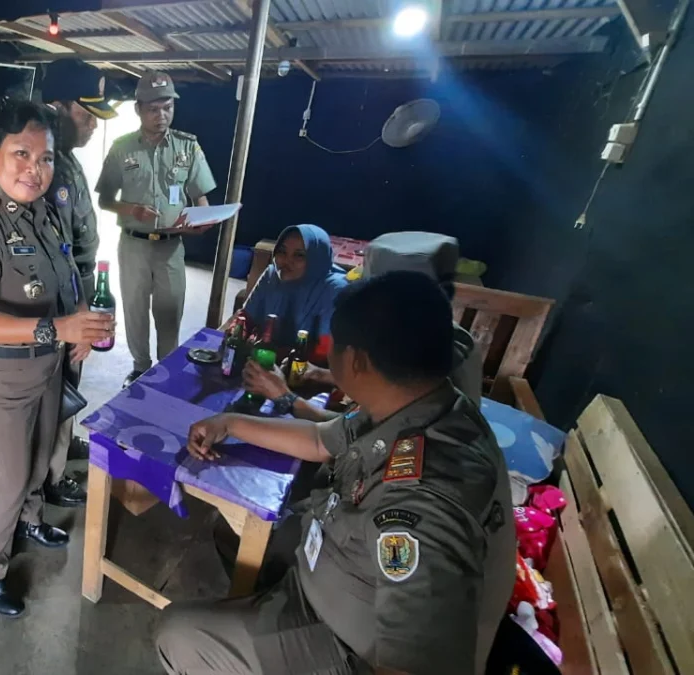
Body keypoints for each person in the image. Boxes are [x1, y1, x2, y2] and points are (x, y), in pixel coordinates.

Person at [157, 271, 515, 675]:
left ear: (356, 361)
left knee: (179, 634)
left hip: (344, 648)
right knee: (235, 528)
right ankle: (257, 614)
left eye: (334, 345)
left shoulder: (421, 505)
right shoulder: (418, 406)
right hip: (334, 567)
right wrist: (230, 424)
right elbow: (318, 439)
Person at [0, 99, 114, 617]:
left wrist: (81, 321)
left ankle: (32, 518)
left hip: (50, 363)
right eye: (21, 154)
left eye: (46, 158)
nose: (34, 170)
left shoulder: (47, 212)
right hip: (4, 374)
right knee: (11, 475)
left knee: (41, 460)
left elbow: (68, 277)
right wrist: (59, 328)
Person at [243, 231, 483, 418]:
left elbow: (344, 435)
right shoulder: (429, 332)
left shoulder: (425, 361)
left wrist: (283, 396)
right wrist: (323, 375)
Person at [96, 70, 219, 388]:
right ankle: (139, 368)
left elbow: (201, 198)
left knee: (169, 312)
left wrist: (203, 220)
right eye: (153, 109)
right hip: (134, 245)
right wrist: (131, 209)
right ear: (138, 109)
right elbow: (106, 199)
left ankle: (166, 372)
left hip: (170, 247)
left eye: (168, 108)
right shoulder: (123, 148)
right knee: (134, 311)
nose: (161, 115)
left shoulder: (188, 147)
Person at [40, 58, 118, 509]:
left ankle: (64, 445)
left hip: (77, 291)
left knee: (71, 377)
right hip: (59, 301)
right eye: (85, 115)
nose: (91, 126)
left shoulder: (65, 159)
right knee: (55, 384)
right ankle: (50, 478)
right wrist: (74, 316)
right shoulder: (44, 168)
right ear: (57, 107)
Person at [239, 223, 348, 351]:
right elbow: (245, 318)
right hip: (264, 357)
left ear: (316, 259)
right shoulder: (272, 274)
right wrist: (238, 332)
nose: (286, 261)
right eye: (282, 252)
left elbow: (327, 352)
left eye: (299, 255)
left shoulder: (334, 289)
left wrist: (278, 356)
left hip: (309, 367)